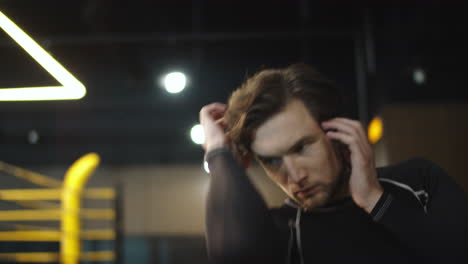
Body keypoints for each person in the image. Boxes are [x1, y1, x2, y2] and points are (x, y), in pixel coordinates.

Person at [199, 63, 468, 264]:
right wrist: (220, 155)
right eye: (271, 160)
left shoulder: (418, 182)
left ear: (339, 134)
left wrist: (374, 199)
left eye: (302, 147)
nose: (294, 175)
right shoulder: (280, 232)